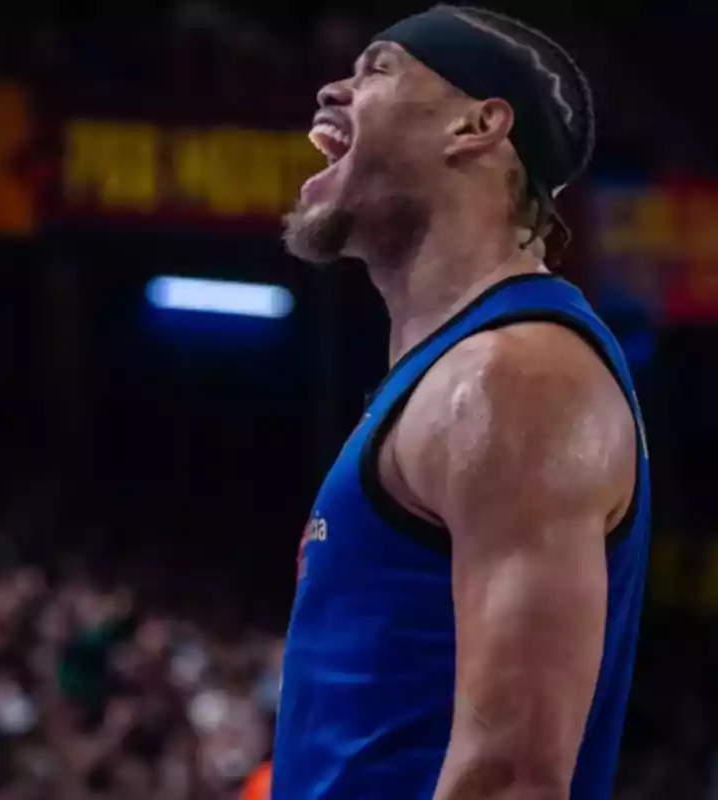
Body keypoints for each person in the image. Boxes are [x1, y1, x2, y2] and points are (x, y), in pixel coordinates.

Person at [276, 6, 649, 800]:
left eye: (378, 68)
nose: (331, 90)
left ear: (476, 126)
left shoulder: (513, 379)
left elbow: (509, 777)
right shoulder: (456, 376)